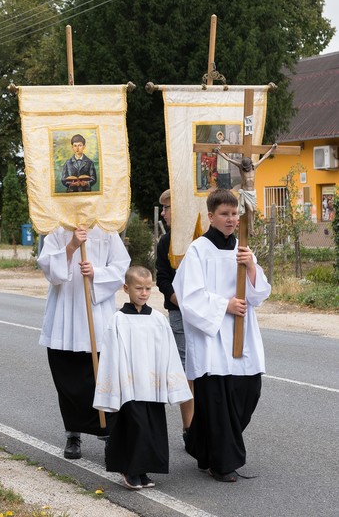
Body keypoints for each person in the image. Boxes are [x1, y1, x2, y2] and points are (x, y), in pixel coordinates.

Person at [173, 188, 271, 483]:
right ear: (211, 216)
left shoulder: (243, 248)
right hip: (212, 338)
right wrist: (224, 305)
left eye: (234, 214)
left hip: (242, 335)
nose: (231, 219)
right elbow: (188, 296)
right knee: (218, 399)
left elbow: (261, 292)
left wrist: (251, 266)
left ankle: (201, 445)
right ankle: (222, 462)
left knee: (248, 391)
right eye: (225, 214)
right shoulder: (198, 251)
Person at [94, 266, 192, 490]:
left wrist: (172, 384)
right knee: (133, 426)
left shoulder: (158, 319)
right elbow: (110, 355)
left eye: (148, 288)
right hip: (128, 386)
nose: (144, 293)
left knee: (151, 428)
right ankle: (130, 470)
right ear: (126, 288)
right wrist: (113, 387)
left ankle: (144, 470)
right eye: (139, 288)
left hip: (152, 385)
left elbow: (169, 352)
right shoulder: (117, 320)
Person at [37, 224, 130, 459]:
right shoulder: (57, 231)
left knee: (101, 377)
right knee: (67, 379)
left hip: (96, 316)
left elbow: (121, 266)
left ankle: (107, 431)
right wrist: (71, 247)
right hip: (64, 315)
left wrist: (97, 273)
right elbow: (47, 268)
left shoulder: (106, 230)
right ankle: (73, 433)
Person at [155, 189, 194, 440]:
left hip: (205, 313)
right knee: (186, 369)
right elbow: (162, 278)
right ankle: (189, 428)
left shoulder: (197, 238)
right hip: (179, 313)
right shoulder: (166, 242)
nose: (165, 213)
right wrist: (178, 300)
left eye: (168, 209)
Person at [214, 143, 277, 235]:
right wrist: (219, 152)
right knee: (251, 210)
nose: (246, 169)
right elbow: (229, 159)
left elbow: (265, 157)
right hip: (245, 192)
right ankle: (251, 229)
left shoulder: (254, 166)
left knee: (254, 210)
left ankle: (252, 229)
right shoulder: (240, 167)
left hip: (253, 192)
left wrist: (272, 148)